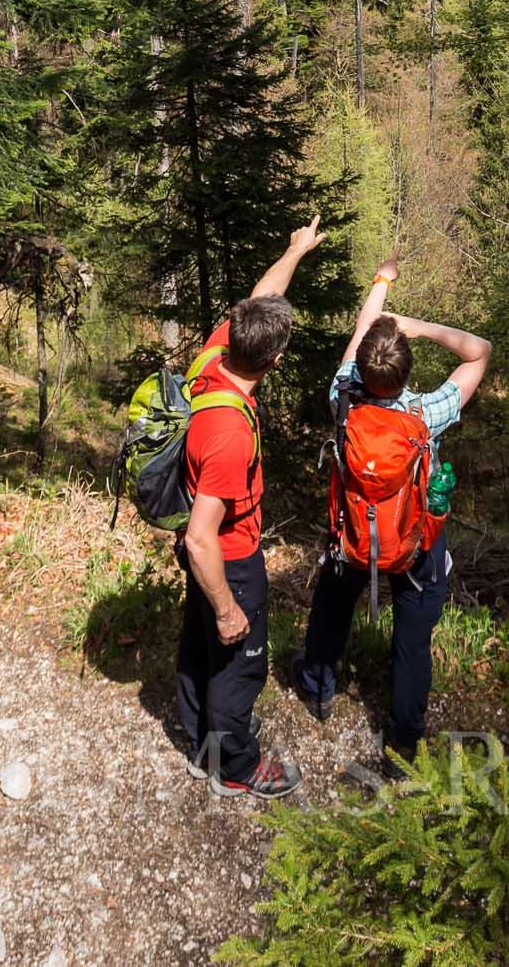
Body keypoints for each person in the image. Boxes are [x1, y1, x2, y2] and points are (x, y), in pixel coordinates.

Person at [291, 255, 491, 767]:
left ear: (362, 368)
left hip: (353, 533)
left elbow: (360, 335)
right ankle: (403, 737)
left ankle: (317, 688)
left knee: (333, 605)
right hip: (414, 539)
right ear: (407, 373)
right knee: (413, 636)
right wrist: (418, 327)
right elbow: (479, 352)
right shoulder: (427, 413)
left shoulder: (342, 399)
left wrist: (381, 281)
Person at [175, 214, 323, 800]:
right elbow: (200, 538)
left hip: (208, 554)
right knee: (238, 663)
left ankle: (201, 746)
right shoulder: (231, 434)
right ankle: (237, 767)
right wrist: (228, 606)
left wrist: (295, 251)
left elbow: (263, 296)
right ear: (275, 360)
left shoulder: (214, 358)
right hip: (229, 558)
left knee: (198, 649)